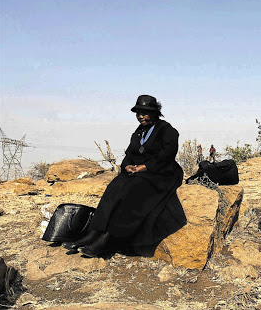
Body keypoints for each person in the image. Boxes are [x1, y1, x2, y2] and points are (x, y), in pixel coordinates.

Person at [62, 95, 187, 258]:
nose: (141, 116)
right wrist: (126, 166)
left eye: (145, 112)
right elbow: (129, 153)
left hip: (162, 173)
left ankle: (107, 238)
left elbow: (166, 156)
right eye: (138, 113)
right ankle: (93, 233)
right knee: (114, 186)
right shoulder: (138, 132)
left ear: (156, 113)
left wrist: (144, 167)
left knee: (132, 190)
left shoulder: (167, 130)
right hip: (138, 171)